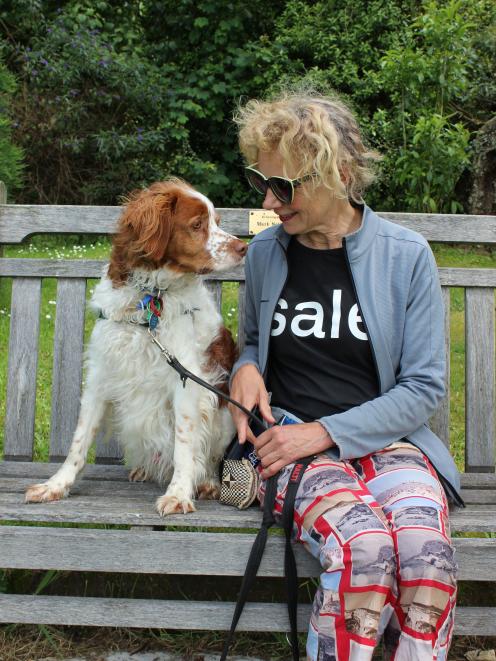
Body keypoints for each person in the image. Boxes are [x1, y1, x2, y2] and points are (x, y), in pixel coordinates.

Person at [229, 90, 463, 661]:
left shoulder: (406, 256)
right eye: (261, 181)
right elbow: (255, 341)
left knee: (425, 552)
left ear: (338, 173)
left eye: (285, 186)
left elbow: (423, 387)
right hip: (287, 442)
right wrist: (246, 367)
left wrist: (327, 432)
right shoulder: (265, 253)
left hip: (388, 443)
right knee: (363, 547)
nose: (269, 199)